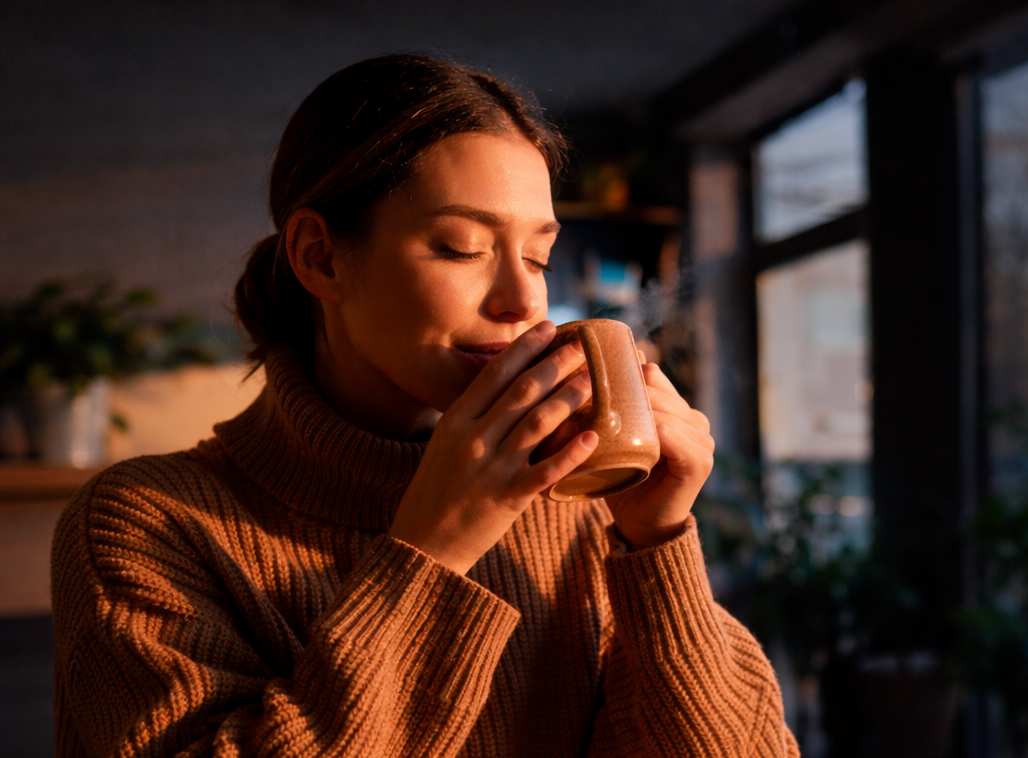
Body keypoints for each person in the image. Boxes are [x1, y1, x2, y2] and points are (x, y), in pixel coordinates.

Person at [51, 54, 797, 757]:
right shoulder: (147, 522)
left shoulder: (575, 501)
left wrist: (658, 538)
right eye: (461, 247)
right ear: (320, 256)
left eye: (537, 256)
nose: (520, 300)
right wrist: (432, 551)